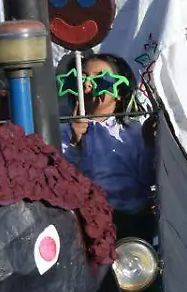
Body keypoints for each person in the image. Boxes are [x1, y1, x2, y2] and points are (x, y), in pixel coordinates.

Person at [61, 52, 156, 218]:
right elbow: (61, 179)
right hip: (84, 220)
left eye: (100, 80)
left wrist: (149, 143)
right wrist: (74, 143)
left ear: (119, 93)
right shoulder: (62, 131)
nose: (87, 86)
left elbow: (148, 178)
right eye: (81, 79)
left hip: (131, 219)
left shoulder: (134, 130)